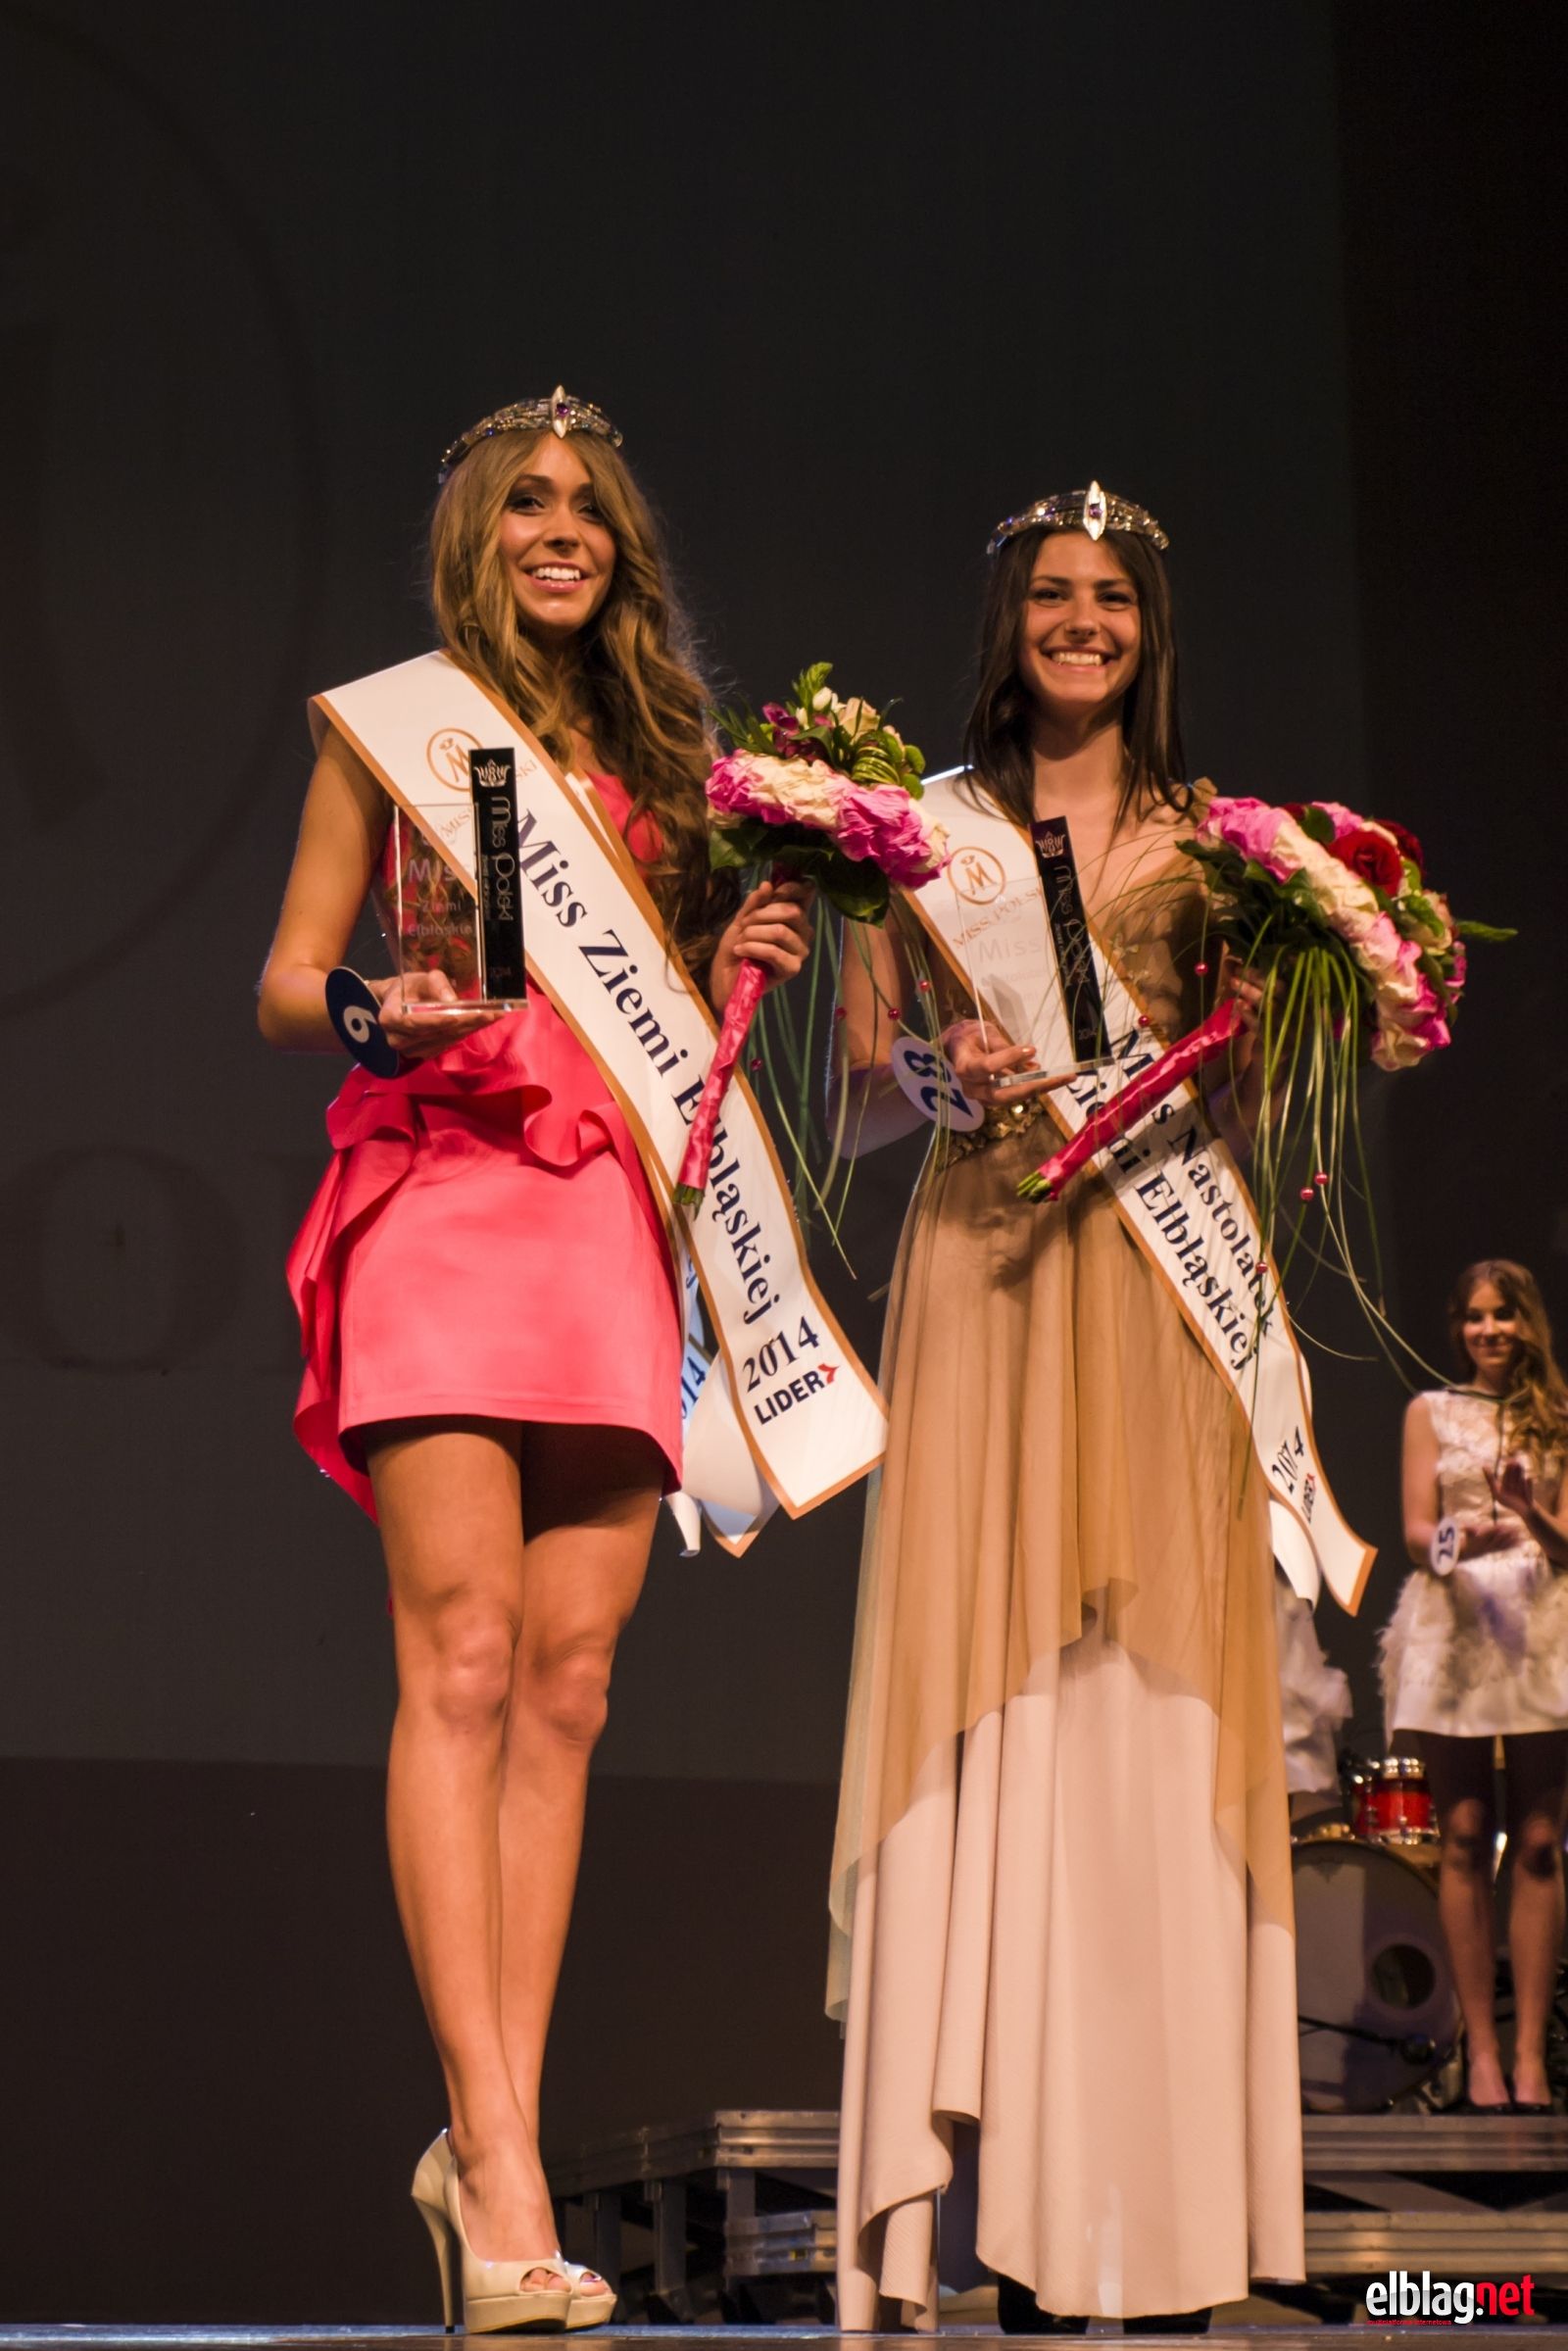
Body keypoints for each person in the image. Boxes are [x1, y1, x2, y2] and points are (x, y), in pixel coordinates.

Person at [258, 390, 809, 2331]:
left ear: (621, 546)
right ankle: (495, 2153)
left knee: (568, 1686)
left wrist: (741, 952)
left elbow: (669, 1033)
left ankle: (497, 2133)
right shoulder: (396, 730)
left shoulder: (670, 765)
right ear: (475, 534)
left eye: (588, 504)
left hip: (604, 1224)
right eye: (526, 503)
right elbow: (286, 976)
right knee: (467, 1656)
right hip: (442, 1194)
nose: (560, 527)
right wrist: (375, 1010)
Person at [827, 484, 1305, 2329]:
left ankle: (1163, 2222)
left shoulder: (1229, 847)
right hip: (993, 1275)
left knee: (1147, 1719)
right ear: (1007, 621)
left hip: (1162, 1287)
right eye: (1051, 593)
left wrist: (1277, 1036)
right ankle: (1009, 2207)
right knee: (999, 1700)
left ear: (1148, 627)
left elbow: (1250, 1103)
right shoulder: (921, 835)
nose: (1081, 620)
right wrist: (944, 1068)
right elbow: (866, 1096)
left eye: (1111, 595)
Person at [1380, 1259, 1568, 2112]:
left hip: (1539, 1624)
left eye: (1503, 1314)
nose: (1488, 1329)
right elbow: (1419, 1533)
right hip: (1456, 1621)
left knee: (1539, 1841)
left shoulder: (1557, 1416)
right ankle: (1480, 2055)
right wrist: (1467, 1539)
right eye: (1474, 1316)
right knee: (1462, 1832)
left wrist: (1529, 1515)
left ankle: (1530, 2057)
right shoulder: (1430, 1410)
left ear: (1529, 1323)